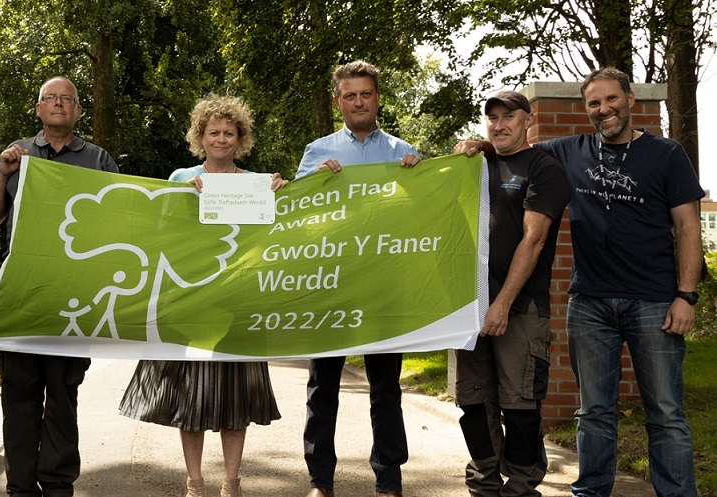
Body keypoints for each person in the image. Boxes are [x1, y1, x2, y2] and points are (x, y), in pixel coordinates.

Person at [456, 67, 702, 497]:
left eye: (611, 100)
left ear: (630, 99)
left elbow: (687, 229)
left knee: (664, 412)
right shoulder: (569, 150)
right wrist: (479, 145)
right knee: (593, 413)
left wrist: (686, 295)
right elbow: (513, 148)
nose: (603, 109)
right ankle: (592, 492)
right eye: (593, 103)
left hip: (654, 300)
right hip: (589, 300)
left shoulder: (666, 154)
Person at [118, 94, 287, 497]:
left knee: (236, 398)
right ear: (201, 136)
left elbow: (273, 239)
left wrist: (282, 197)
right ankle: (194, 482)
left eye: (230, 133)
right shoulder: (180, 178)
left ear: (241, 138)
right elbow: (159, 235)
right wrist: (182, 203)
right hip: (189, 303)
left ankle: (232, 482)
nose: (222, 139)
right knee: (189, 400)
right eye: (214, 132)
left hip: (238, 304)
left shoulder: (258, 184)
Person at [0, 75, 118, 497]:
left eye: (68, 99)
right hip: (23, 295)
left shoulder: (99, 160)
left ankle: (59, 485)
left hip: (74, 300)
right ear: (39, 109)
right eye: (51, 98)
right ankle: (20, 487)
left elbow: (120, 222)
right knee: (19, 398)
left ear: (79, 111)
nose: (59, 104)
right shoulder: (16, 155)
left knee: (63, 397)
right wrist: (1, 175)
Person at [295, 60, 419, 497]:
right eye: (350, 95)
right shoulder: (316, 152)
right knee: (322, 386)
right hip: (330, 284)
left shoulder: (405, 154)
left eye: (366, 94)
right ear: (338, 102)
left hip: (384, 287)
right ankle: (319, 481)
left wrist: (415, 180)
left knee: (385, 389)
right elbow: (297, 218)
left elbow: (420, 217)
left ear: (377, 98)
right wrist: (311, 183)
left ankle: (389, 480)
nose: (359, 101)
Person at [454, 90, 569, 496]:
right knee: (472, 403)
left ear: (527, 121)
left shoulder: (544, 169)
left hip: (519, 310)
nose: (499, 125)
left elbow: (533, 241)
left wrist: (501, 304)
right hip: (469, 309)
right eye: (492, 118)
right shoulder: (475, 165)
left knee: (519, 405)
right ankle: (483, 484)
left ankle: (520, 488)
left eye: (508, 117)